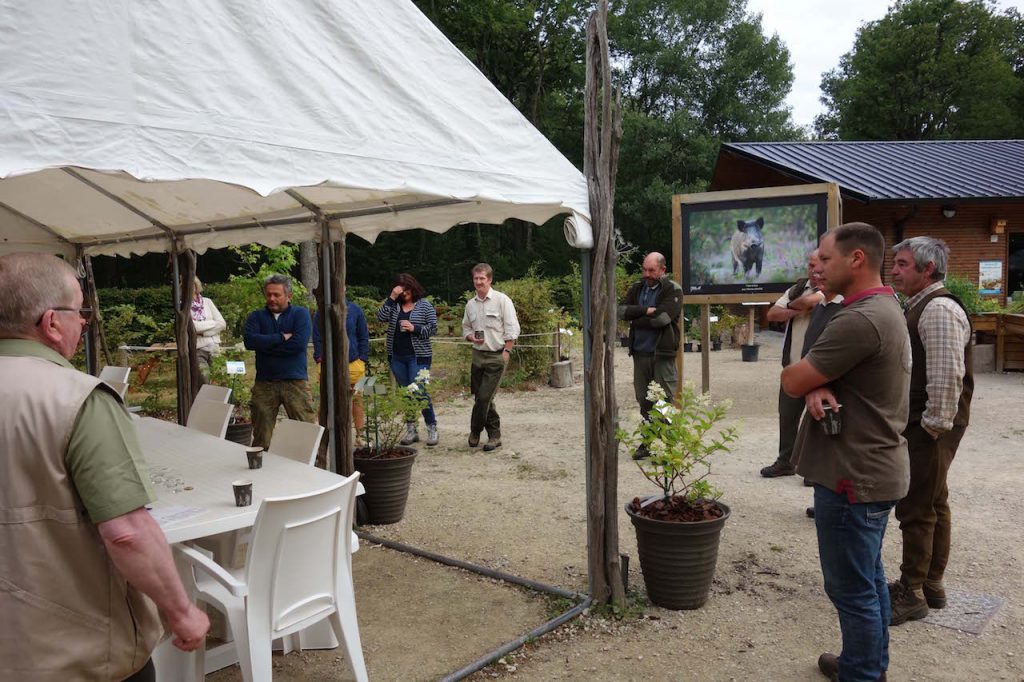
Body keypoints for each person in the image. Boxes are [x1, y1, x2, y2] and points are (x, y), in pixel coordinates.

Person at [0, 253, 209, 681]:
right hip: (75, 652)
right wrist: (181, 612)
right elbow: (127, 532)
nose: (84, 324)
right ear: (51, 323)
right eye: (82, 313)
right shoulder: (76, 398)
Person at [781, 223, 911, 682]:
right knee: (869, 580)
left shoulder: (859, 319)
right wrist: (821, 384)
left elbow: (791, 378)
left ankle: (862, 674)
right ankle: (865, 666)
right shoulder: (883, 306)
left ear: (856, 259)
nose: (818, 267)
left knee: (852, 590)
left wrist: (809, 383)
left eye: (825, 258)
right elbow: (832, 376)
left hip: (851, 478)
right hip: (872, 471)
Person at [888, 236, 973, 626]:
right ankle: (931, 585)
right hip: (929, 423)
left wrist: (932, 427)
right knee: (934, 500)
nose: (894, 270)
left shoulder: (937, 309)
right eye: (895, 263)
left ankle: (912, 592)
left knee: (917, 506)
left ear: (928, 269)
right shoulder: (922, 304)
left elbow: (946, 375)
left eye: (903, 264)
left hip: (931, 425)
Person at [760, 250, 824, 477]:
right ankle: (785, 461)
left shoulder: (835, 289)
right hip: (793, 367)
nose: (815, 271)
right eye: (811, 266)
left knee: (819, 419)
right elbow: (772, 314)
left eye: (819, 266)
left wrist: (794, 306)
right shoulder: (798, 288)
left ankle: (815, 469)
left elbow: (809, 301)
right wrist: (798, 308)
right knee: (787, 417)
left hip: (820, 369)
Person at [618, 252, 683, 454]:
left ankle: (668, 444)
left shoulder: (673, 289)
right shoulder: (637, 287)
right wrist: (646, 311)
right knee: (643, 400)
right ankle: (648, 441)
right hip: (640, 353)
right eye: (644, 269)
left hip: (661, 354)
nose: (647, 274)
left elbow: (662, 319)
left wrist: (636, 317)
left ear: (663, 270)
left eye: (651, 270)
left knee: (664, 401)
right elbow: (620, 311)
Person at [243, 274, 315, 449]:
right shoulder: (256, 317)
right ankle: (261, 463)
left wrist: (265, 346)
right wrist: (280, 337)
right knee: (261, 435)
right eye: (268, 294)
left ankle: (310, 464)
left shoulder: (301, 314)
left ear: (289, 296)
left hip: (295, 381)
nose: (271, 298)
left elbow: (298, 345)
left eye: (276, 295)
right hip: (265, 383)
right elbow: (250, 342)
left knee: (306, 431)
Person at [462, 263, 520, 452]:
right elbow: (466, 328)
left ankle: (475, 431)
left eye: (482, 278)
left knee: (484, 397)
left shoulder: (502, 300)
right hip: (477, 355)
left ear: (490, 280)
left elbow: (512, 328)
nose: (479, 282)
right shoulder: (470, 305)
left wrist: (507, 351)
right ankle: (495, 435)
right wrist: (470, 337)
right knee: (482, 398)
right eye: (476, 278)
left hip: (497, 355)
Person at [377, 273, 439, 446]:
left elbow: (433, 328)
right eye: (400, 290)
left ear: (413, 287)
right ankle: (411, 429)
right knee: (406, 394)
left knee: (419, 391)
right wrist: (392, 297)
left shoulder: (424, 305)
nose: (404, 293)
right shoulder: (394, 306)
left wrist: (414, 328)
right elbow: (380, 317)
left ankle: (432, 426)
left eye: (407, 289)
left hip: (419, 357)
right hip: (397, 356)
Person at [312, 301, 370, 452]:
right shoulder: (321, 311)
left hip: (354, 362)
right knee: (326, 400)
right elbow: (317, 336)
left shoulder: (355, 309)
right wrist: (319, 358)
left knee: (357, 399)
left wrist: (362, 358)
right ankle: (324, 437)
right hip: (328, 363)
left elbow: (363, 335)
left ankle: (360, 436)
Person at [190, 276, 226, 384]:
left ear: (196, 286)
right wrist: (212, 323)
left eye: (192, 284)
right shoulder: (184, 306)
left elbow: (222, 324)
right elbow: (193, 327)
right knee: (205, 383)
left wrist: (203, 332)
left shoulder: (207, 302)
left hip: (215, 348)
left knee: (220, 382)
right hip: (198, 349)